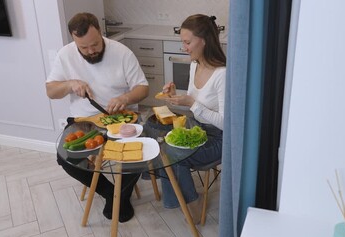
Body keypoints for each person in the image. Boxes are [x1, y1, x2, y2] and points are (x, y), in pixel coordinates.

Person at [45, 12, 149, 222]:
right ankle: (112, 194)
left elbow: (143, 88)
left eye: (95, 44)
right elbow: (51, 91)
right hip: (85, 121)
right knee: (65, 158)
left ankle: (122, 194)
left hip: (122, 118)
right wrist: (69, 84)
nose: (91, 51)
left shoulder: (122, 52)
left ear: (100, 33)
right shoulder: (65, 55)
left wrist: (127, 97)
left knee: (137, 154)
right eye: (84, 48)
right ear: (74, 40)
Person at [159, 14, 226, 223]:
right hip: (198, 129)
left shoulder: (222, 73)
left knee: (172, 156)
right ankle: (180, 198)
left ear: (204, 40)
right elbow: (193, 109)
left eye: (187, 42)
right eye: (183, 42)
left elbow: (227, 123)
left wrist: (192, 104)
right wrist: (172, 97)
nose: (184, 47)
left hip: (219, 138)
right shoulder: (194, 65)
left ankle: (193, 204)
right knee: (158, 141)